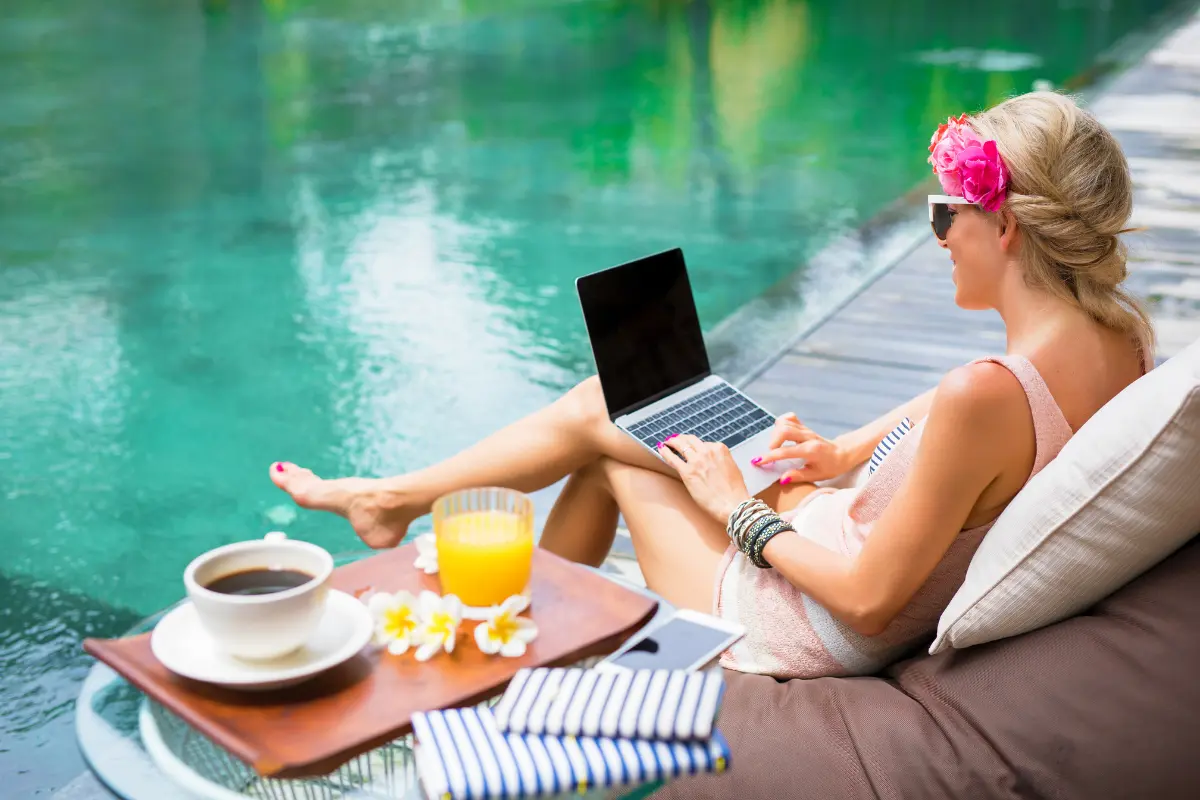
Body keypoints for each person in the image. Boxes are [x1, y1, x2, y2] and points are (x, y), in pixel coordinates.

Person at [269, 92, 1154, 679]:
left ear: (1001, 226)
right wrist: (842, 452)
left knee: (609, 436)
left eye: (944, 214)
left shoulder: (983, 393)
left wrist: (742, 511)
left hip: (814, 620)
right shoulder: (1117, 339)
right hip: (834, 527)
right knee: (625, 416)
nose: (936, 235)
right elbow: (970, 413)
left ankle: (475, 626)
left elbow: (873, 602)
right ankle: (424, 542)